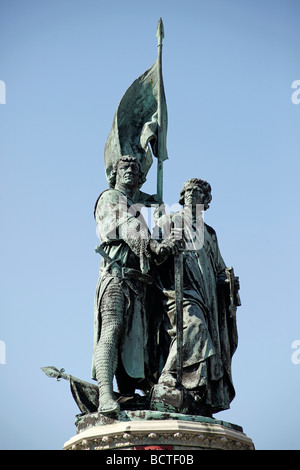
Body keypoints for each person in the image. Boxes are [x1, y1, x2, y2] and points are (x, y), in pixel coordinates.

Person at [92, 155, 176, 413]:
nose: (130, 171)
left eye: (135, 169)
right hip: (116, 277)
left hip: (139, 285)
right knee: (113, 330)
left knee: (139, 343)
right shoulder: (110, 198)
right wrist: (155, 246)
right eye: (124, 167)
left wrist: (162, 221)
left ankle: (128, 394)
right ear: (114, 173)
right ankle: (105, 395)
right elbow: (129, 230)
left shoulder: (135, 207)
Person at [151, 178, 240, 416]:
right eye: (188, 191)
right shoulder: (168, 221)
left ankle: (198, 392)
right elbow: (152, 256)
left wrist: (228, 282)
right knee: (193, 327)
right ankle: (168, 377)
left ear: (206, 201)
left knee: (205, 336)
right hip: (178, 290)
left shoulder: (209, 233)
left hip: (207, 295)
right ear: (181, 196)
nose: (191, 194)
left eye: (198, 192)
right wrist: (168, 245)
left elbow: (218, 267)